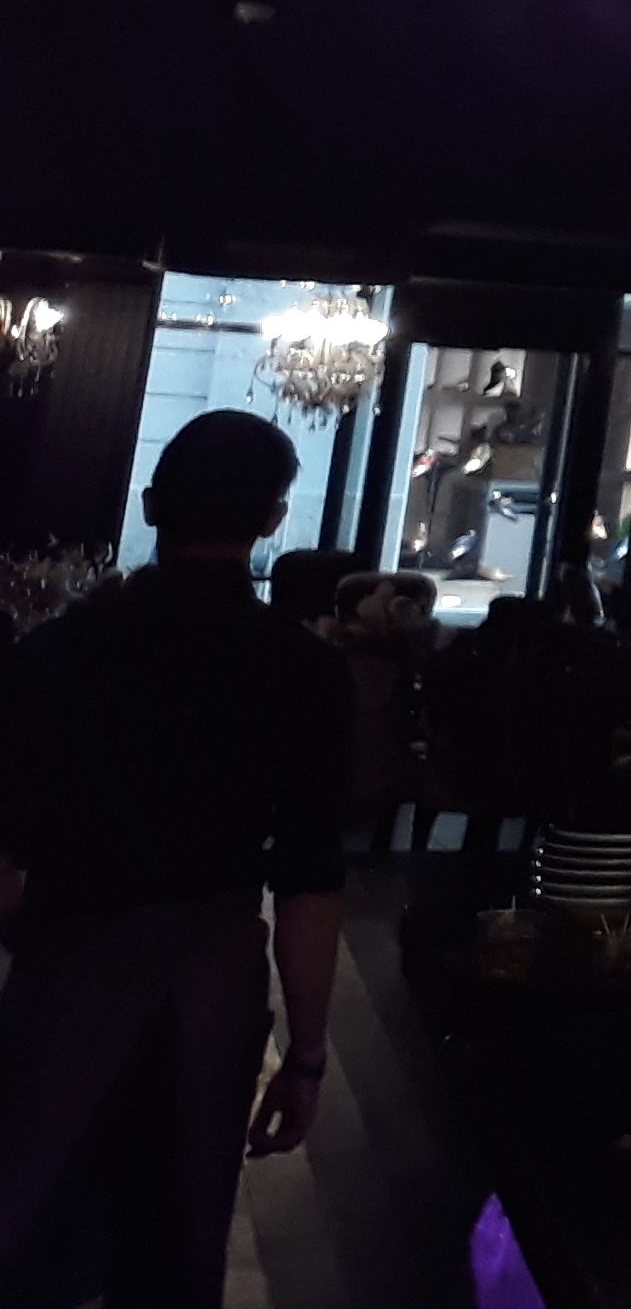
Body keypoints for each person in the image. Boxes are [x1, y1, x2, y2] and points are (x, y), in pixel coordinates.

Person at [0, 412, 355, 1309]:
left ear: (152, 505)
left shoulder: (53, 655)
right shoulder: (305, 670)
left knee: (26, 1223)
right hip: (211, 977)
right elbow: (309, 883)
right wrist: (306, 1056)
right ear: (273, 521)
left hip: (67, 966)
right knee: (177, 1241)